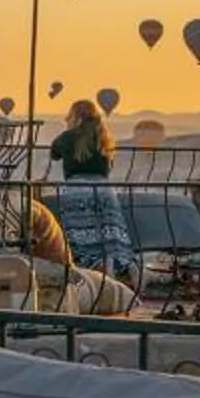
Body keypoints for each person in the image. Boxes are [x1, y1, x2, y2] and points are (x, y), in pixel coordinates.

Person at [46, 99, 139, 278]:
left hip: (77, 190)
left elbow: (54, 153)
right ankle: (123, 263)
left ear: (75, 116)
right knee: (110, 232)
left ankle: (95, 269)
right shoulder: (105, 137)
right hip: (104, 189)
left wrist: (68, 131)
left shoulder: (68, 136)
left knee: (81, 234)